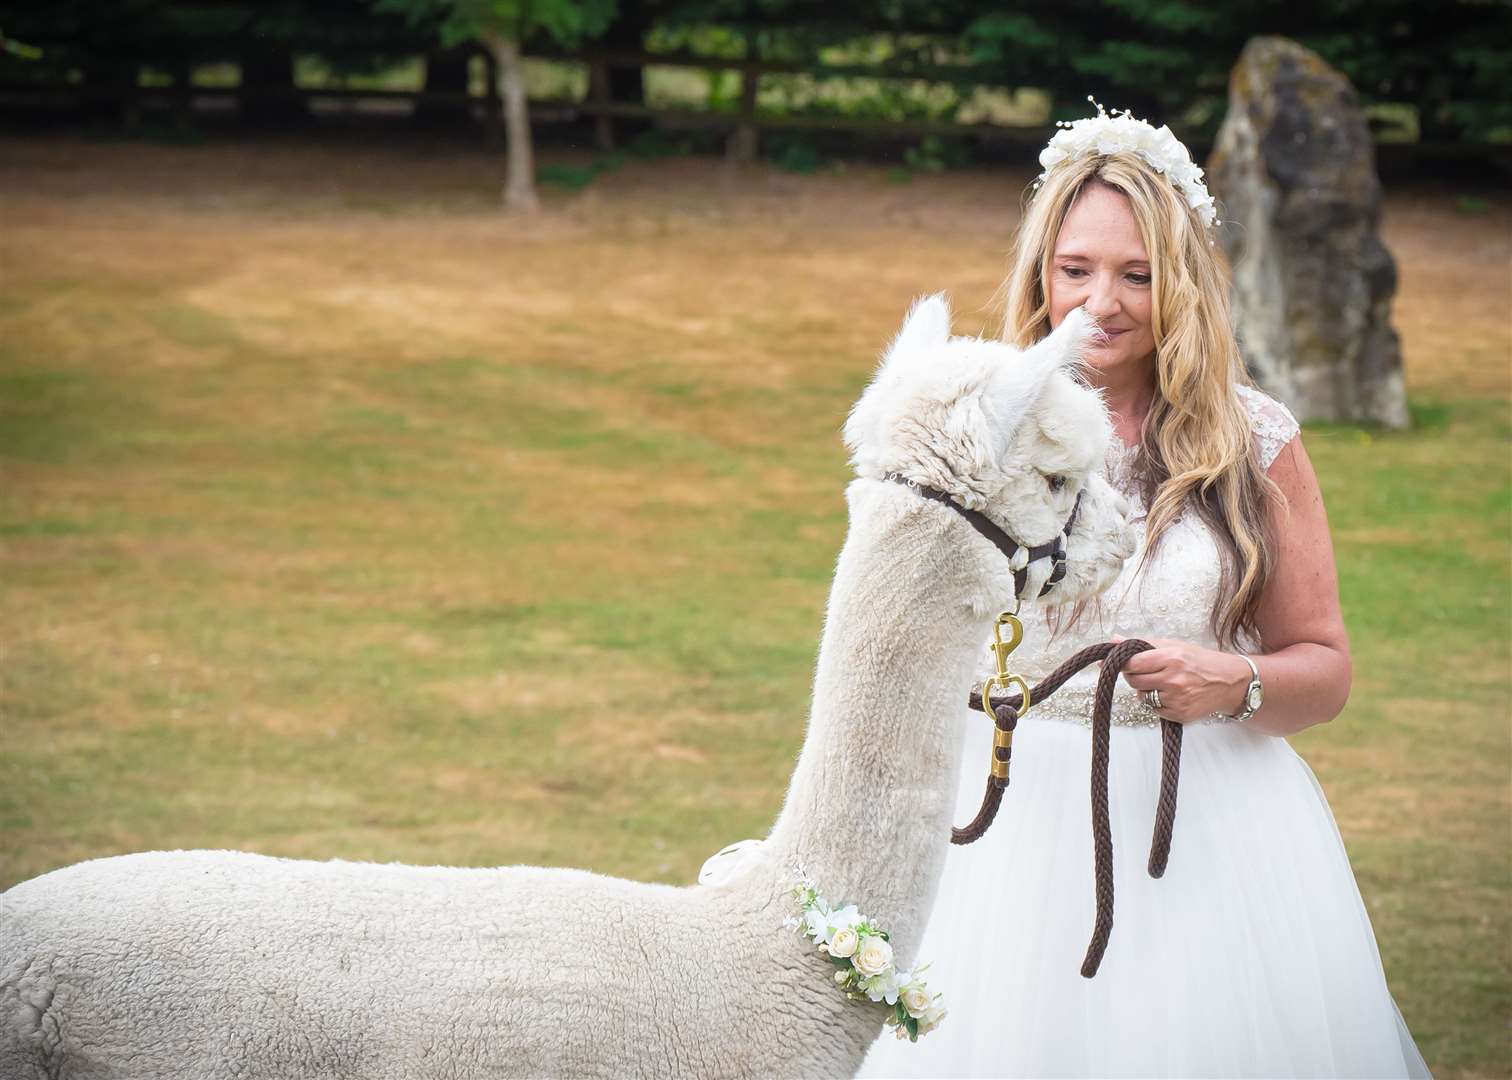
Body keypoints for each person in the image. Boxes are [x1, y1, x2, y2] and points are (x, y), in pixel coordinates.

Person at [856, 105, 1431, 1078]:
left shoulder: (1252, 443)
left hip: (1205, 828)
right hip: (999, 820)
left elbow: (1325, 668)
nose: (1100, 303)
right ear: (1043, 270)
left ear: (1185, 281)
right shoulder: (975, 426)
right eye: (1076, 269)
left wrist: (1236, 683)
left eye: (1137, 274)